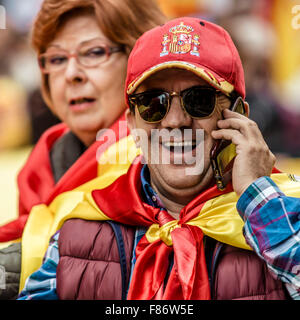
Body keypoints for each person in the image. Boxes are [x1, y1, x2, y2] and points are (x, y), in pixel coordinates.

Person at [18, 17, 300, 300]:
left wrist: (260, 201)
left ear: (240, 115)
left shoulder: (286, 208)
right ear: (133, 125)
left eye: (199, 100)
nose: (175, 121)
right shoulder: (80, 226)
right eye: (154, 103)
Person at [0, 0, 165, 299]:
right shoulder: (43, 162)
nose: (71, 74)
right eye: (56, 59)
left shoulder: (168, 161)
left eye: (94, 53)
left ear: (142, 61)